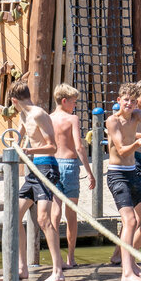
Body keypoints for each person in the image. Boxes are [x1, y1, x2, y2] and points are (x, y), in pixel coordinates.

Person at [8, 79, 65, 281]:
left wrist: (29, 151)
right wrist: (14, 145)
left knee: (43, 220)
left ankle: (57, 270)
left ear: (14, 100)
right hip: (32, 170)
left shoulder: (39, 114)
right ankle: (22, 267)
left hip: (47, 167)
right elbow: (17, 138)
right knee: (14, 214)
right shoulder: (23, 115)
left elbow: (52, 147)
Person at [105, 82, 141, 281]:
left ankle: (130, 261)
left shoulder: (136, 115)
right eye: (126, 100)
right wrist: (137, 143)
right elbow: (122, 150)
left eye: (133, 101)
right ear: (119, 101)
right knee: (130, 221)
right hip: (117, 175)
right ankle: (126, 274)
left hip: (133, 174)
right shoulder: (112, 121)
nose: (130, 104)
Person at [50, 83, 95, 269]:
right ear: (64, 101)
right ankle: (70, 258)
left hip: (52, 164)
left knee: (54, 213)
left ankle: (56, 260)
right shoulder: (72, 119)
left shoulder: (48, 118)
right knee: (71, 215)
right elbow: (79, 146)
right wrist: (89, 172)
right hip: (69, 165)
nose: (75, 105)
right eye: (73, 102)